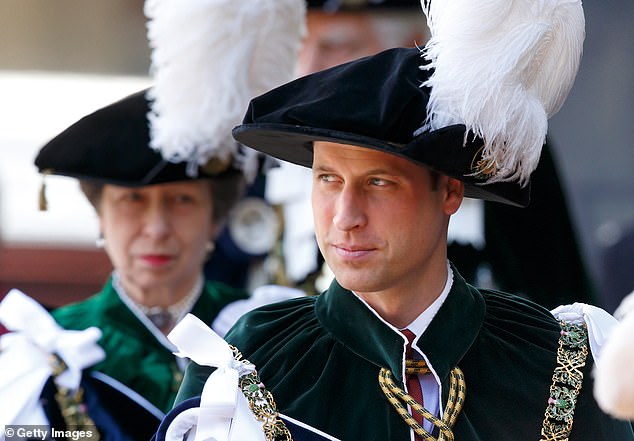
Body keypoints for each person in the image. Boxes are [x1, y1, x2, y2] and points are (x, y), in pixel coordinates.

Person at [164, 0, 634, 439]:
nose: (345, 217)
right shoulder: (249, 359)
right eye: (328, 179)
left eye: (379, 183)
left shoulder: (553, 358)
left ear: (450, 191)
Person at [1, 0, 305, 433]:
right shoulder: (46, 349)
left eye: (182, 201)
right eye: (131, 202)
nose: (157, 228)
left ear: (214, 220)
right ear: (100, 217)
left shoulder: (266, 329)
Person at [268, 0, 598, 309]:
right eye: (301, 48)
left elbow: (554, 308)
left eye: (335, 47)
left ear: (414, 46)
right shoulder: (271, 155)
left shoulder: (491, 142)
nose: (308, 68)